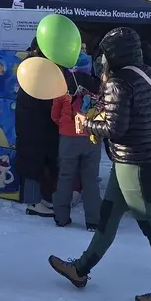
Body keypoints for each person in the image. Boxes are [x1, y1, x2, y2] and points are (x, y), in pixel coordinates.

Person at [48, 27, 151, 301]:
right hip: (138, 160)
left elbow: (115, 129)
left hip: (133, 162)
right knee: (108, 218)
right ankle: (81, 269)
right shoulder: (147, 74)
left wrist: (87, 124)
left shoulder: (118, 82)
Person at [16, 39, 61, 218]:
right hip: (39, 124)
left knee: (32, 158)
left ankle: (35, 198)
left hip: (28, 123)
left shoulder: (28, 64)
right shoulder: (44, 69)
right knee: (42, 161)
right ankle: (40, 200)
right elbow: (47, 102)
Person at [51, 80, 102, 230]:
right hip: (92, 137)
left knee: (65, 177)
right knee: (91, 180)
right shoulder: (97, 90)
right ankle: (93, 221)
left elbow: (54, 116)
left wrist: (64, 124)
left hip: (68, 139)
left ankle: (61, 218)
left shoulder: (63, 91)